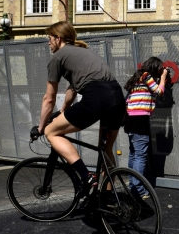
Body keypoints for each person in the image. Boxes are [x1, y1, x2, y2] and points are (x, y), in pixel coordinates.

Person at [37, 21, 125, 196]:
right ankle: (107, 199)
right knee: (106, 150)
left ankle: (86, 176)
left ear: (58, 38)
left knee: (51, 132)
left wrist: (41, 126)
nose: (48, 43)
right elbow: (73, 88)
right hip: (117, 97)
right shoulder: (84, 52)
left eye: (49, 38)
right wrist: (64, 110)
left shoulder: (58, 57)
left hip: (96, 98)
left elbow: (48, 98)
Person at [123, 57, 169, 199]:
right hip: (139, 119)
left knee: (134, 153)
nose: (161, 70)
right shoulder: (147, 76)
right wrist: (163, 78)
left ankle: (133, 185)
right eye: (160, 68)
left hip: (130, 118)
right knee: (141, 155)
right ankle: (139, 190)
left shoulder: (138, 77)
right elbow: (159, 91)